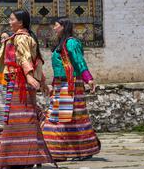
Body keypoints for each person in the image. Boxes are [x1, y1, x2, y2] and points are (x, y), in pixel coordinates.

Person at [0, 10, 55, 169]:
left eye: (12, 19)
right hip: (17, 83)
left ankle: (22, 159)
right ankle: (20, 158)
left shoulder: (20, 38)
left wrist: (28, 77)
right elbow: (36, 63)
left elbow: (25, 58)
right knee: (21, 119)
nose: (9, 21)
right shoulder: (24, 37)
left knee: (21, 120)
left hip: (20, 84)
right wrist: (43, 82)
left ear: (20, 23)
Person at [42, 18, 100, 161]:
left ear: (63, 26)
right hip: (60, 85)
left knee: (71, 118)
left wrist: (89, 78)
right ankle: (58, 152)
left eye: (56, 25)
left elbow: (79, 61)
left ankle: (83, 151)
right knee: (57, 116)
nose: (54, 27)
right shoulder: (60, 44)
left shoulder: (71, 42)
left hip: (71, 85)